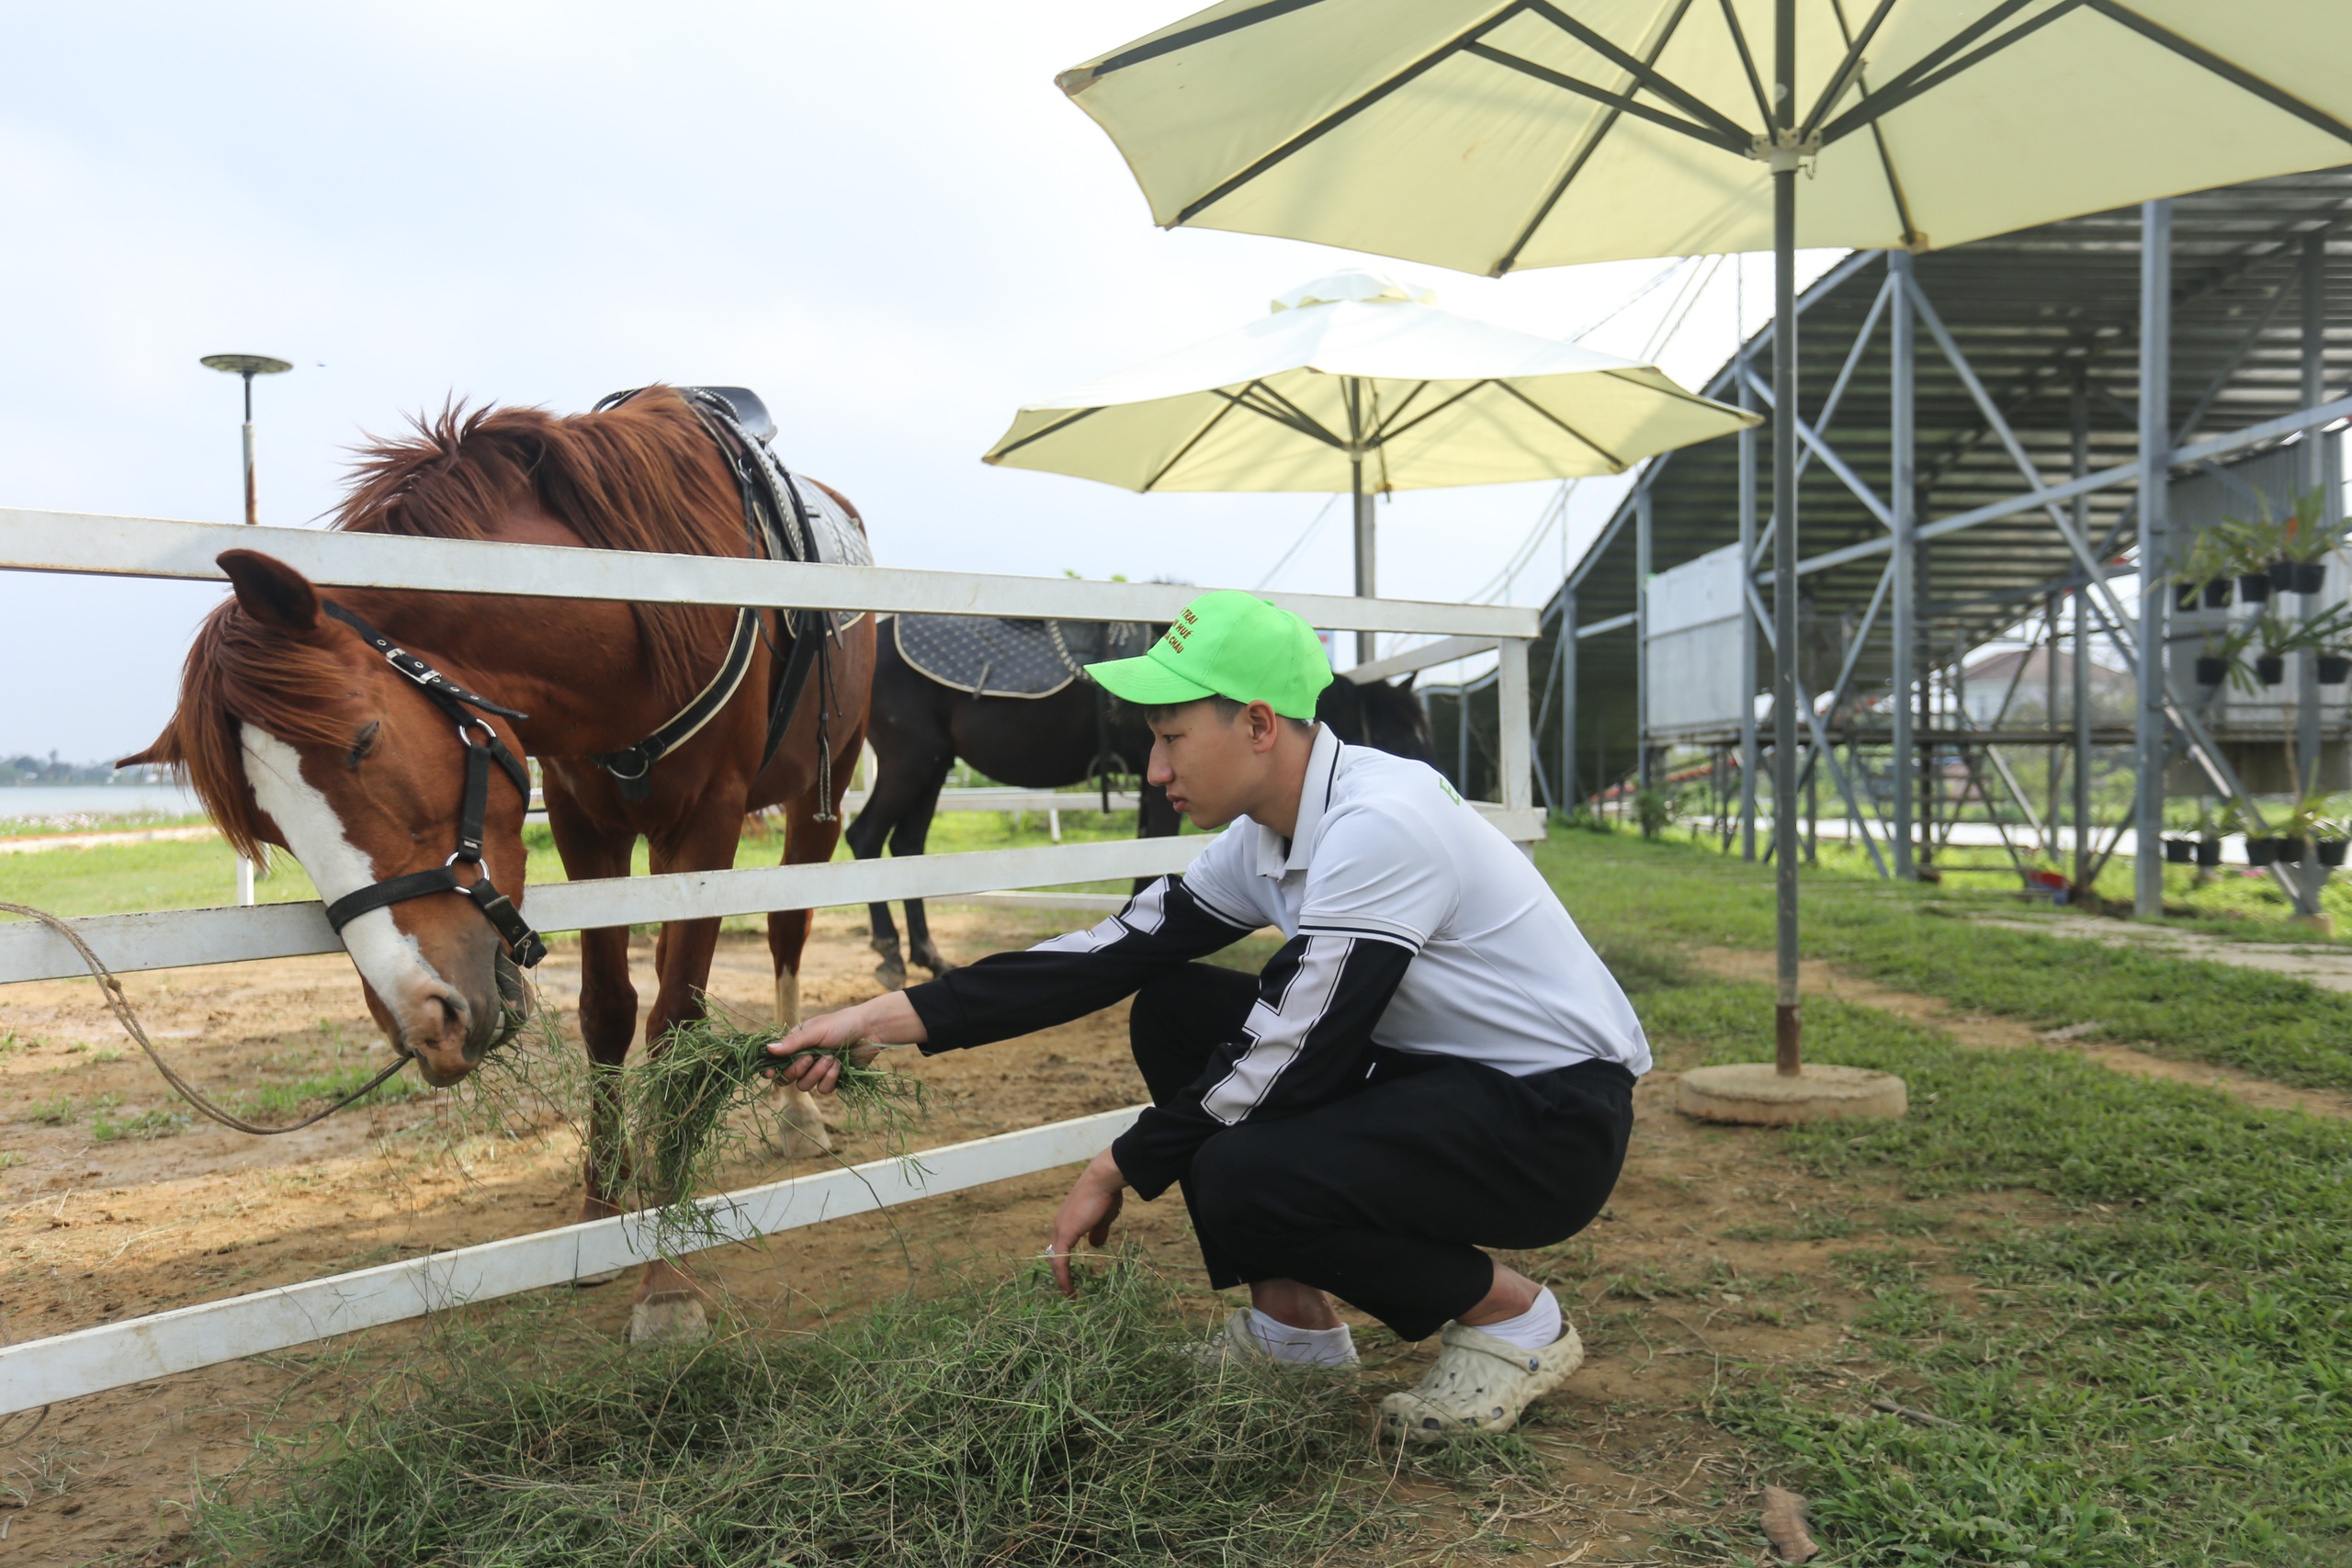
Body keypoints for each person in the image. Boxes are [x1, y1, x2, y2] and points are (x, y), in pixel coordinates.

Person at [769, 589, 1649, 1441]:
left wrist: (1119, 1163)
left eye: (1172, 737)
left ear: (1259, 725)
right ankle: (1295, 1332)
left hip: (1550, 1119)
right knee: (1176, 1009)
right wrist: (886, 1017)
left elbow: (1296, 1047)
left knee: (1238, 1165)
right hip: (1445, 1081)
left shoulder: (1381, 822)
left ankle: (1514, 1319)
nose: (1155, 769)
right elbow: (1109, 951)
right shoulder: (1267, 833)